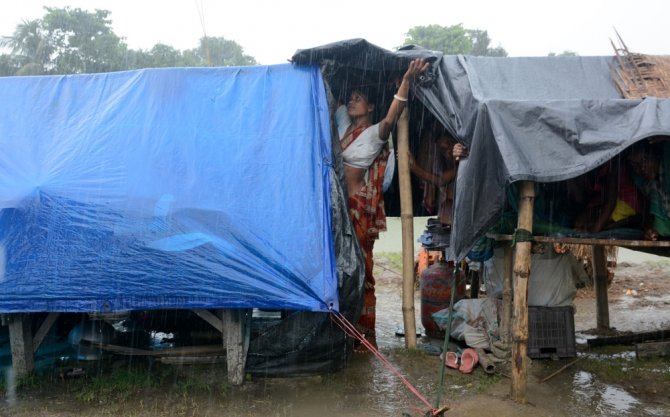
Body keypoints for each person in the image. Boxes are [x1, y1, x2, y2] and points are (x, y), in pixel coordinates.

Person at [335, 58, 429, 348]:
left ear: (371, 108)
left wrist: (406, 80)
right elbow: (331, 96)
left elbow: (392, 115)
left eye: (359, 98)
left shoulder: (375, 134)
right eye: (351, 97)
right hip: (337, 209)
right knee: (338, 269)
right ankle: (339, 329)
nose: (352, 101)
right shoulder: (342, 125)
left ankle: (363, 335)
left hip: (356, 209)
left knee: (361, 272)